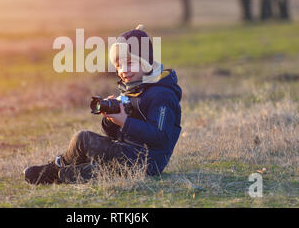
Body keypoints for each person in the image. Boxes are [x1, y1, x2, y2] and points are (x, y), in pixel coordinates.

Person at [24, 25, 182, 185]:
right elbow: (114, 136)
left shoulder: (162, 94)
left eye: (130, 63)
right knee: (82, 141)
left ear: (145, 62)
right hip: (127, 152)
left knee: (84, 139)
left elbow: (161, 137)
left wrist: (125, 122)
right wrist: (110, 120)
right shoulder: (133, 88)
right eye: (119, 65)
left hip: (147, 162)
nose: (124, 70)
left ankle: (63, 174)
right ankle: (58, 170)